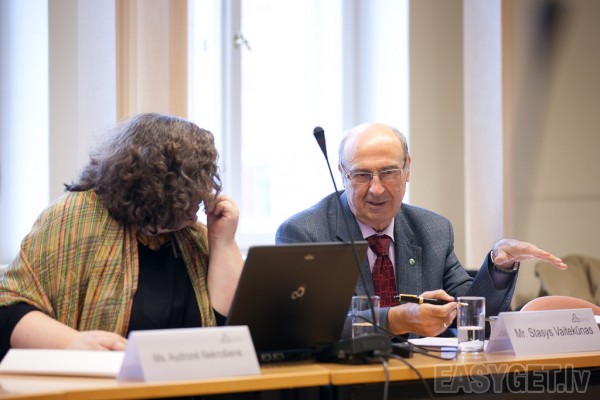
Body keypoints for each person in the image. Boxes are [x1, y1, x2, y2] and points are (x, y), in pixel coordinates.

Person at [276, 122, 567, 338]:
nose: (376, 189)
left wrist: (498, 266)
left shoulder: (433, 230)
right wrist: (395, 320)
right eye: (362, 175)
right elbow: (306, 326)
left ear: (407, 169)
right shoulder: (305, 233)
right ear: (342, 174)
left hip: (420, 380)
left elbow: (471, 312)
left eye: (388, 173)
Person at [0, 113, 243, 359]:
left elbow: (230, 328)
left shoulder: (192, 236)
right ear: (155, 186)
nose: (203, 198)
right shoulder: (75, 217)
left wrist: (223, 241)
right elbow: (8, 306)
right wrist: (71, 342)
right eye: (190, 188)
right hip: (100, 377)